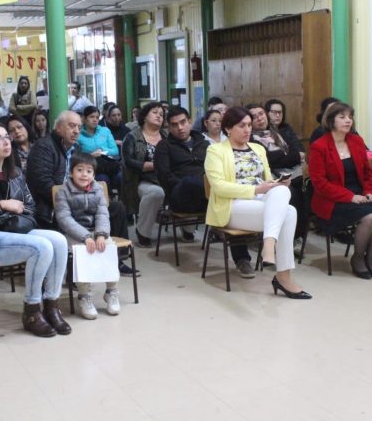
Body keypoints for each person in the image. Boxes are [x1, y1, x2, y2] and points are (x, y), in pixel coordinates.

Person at [0, 122, 72, 337]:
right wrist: (0, 206)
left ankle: (51, 305)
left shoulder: (15, 172)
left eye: (6, 137)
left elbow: (29, 209)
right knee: (41, 247)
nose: (6, 142)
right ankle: (31, 310)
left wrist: (6, 219)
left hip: (12, 233)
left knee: (58, 240)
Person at [205, 107, 311, 298]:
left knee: (283, 195)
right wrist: (255, 189)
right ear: (228, 128)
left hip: (261, 202)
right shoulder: (215, 151)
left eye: (248, 125)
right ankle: (282, 275)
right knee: (288, 213)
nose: (247, 130)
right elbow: (219, 187)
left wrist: (276, 183)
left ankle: (269, 247)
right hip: (231, 205)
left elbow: (267, 179)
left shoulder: (258, 148)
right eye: (241, 126)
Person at [27, 111, 136, 276]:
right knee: (74, 214)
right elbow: (43, 184)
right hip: (52, 205)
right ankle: (77, 270)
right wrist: (72, 198)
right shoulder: (44, 147)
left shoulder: (76, 148)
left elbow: (86, 177)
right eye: (71, 126)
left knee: (116, 208)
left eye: (78, 126)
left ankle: (116, 261)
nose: (76, 131)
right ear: (58, 128)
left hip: (80, 198)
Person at [309, 102, 372, 279]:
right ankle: (357, 259)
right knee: (370, 217)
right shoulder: (319, 146)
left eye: (350, 117)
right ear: (331, 121)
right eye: (342, 117)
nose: (348, 120)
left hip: (360, 194)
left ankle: (371, 259)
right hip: (332, 200)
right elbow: (320, 183)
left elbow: (367, 172)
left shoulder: (356, 141)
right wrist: (350, 197)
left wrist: (369, 191)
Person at [55, 152, 121, 319]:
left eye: (89, 171)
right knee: (82, 251)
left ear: (93, 174)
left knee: (109, 246)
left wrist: (100, 234)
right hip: (75, 232)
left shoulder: (98, 189)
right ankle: (84, 296)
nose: (84, 174)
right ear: (71, 172)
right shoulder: (63, 192)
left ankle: (111, 292)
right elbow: (64, 219)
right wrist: (86, 236)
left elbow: (102, 214)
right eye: (80, 170)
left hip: (96, 230)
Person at [247, 103, 305, 239]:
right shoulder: (251, 139)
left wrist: (288, 156)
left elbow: (297, 151)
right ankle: (286, 237)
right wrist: (291, 156)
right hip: (272, 178)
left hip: (295, 172)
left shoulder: (279, 132)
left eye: (261, 114)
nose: (260, 118)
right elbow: (269, 160)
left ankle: (299, 235)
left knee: (308, 189)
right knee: (291, 193)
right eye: (254, 117)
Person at [154, 106, 209, 241]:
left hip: (204, 196)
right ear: (169, 128)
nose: (180, 127)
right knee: (190, 181)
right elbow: (164, 175)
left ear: (189, 121)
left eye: (183, 122)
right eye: (174, 125)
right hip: (179, 194)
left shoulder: (204, 144)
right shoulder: (164, 146)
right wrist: (183, 183)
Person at [122, 102, 166, 247]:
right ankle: (143, 232)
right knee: (156, 193)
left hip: (166, 177)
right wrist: (152, 166)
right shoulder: (132, 137)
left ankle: (188, 228)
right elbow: (129, 162)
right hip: (142, 179)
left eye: (161, 114)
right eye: (155, 112)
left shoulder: (166, 136)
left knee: (186, 186)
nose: (159, 116)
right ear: (145, 116)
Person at [77, 105, 121, 192]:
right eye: (92, 117)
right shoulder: (78, 134)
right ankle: (106, 203)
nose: (95, 120)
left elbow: (115, 151)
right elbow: (76, 156)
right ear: (85, 119)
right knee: (102, 179)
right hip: (91, 167)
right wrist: (91, 155)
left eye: (97, 117)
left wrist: (102, 150)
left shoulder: (105, 131)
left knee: (121, 176)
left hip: (109, 164)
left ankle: (122, 203)